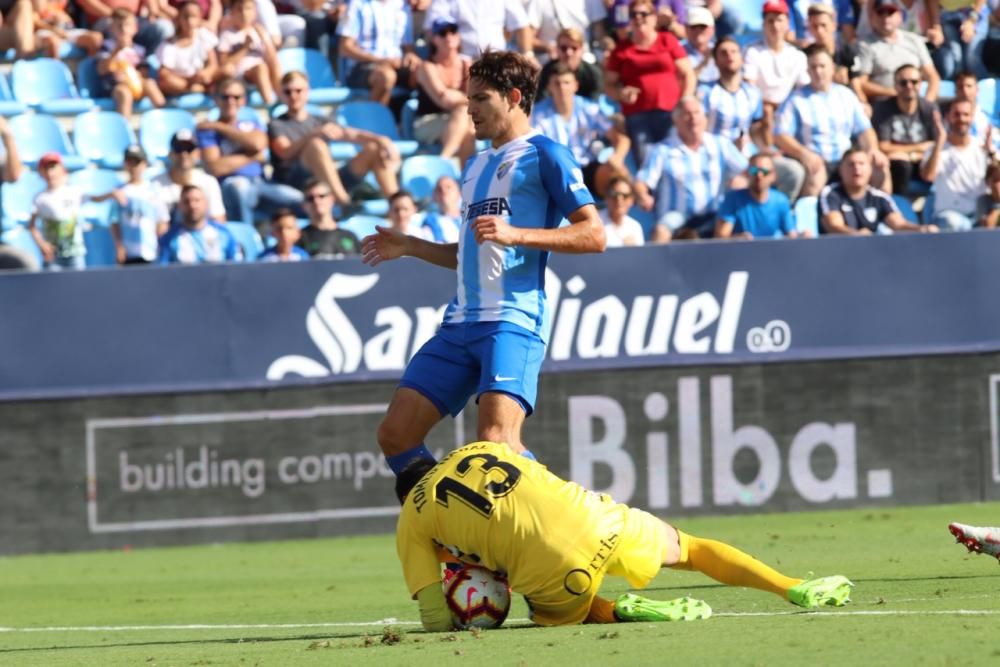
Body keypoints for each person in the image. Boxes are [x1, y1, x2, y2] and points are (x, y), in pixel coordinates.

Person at [360, 50, 605, 475]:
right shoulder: (474, 166)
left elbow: (594, 234)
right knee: (395, 434)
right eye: (468, 98)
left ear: (513, 97)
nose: (469, 109)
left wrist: (517, 234)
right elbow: (472, 253)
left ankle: (559, 522)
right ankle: (446, 530)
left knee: (496, 444)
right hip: (459, 326)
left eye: (480, 99)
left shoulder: (547, 154)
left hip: (512, 320)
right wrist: (413, 246)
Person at [395, 441, 854, 631]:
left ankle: (619, 611)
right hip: (599, 517)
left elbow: (434, 617)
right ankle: (791, 585)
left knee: (550, 609)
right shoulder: (481, 447)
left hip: (556, 570)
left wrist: (457, 619)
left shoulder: (411, 520)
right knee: (691, 548)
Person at [269, 70, 401, 206]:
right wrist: (314, 135)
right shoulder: (277, 124)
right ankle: (344, 203)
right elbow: (284, 152)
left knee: (374, 149)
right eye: (288, 92)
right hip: (296, 182)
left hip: (328, 180)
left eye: (298, 90)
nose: (293, 96)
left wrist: (381, 140)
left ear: (307, 91)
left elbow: (350, 134)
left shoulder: (319, 120)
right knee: (316, 145)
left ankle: (397, 203)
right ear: (281, 95)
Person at [774, 44, 889, 199]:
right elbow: (780, 135)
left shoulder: (846, 95)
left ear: (832, 68)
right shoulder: (796, 99)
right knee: (816, 174)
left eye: (822, 66)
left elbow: (864, 130)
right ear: (807, 71)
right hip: (816, 159)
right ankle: (809, 221)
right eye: (813, 67)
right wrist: (804, 154)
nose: (818, 71)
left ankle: (884, 215)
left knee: (879, 168)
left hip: (845, 159)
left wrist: (872, 150)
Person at [634, 96, 748, 242]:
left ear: (705, 117)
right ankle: (657, 264)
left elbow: (750, 169)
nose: (692, 118)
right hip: (676, 215)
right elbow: (642, 181)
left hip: (715, 214)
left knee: (740, 228)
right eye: (686, 114)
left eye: (696, 113)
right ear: (675, 120)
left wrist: (744, 179)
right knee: (660, 230)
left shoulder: (720, 144)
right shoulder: (662, 150)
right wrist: (643, 195)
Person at [198, 78, 303, 226]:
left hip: (261, 184)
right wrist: (252, 156)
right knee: (239, 189)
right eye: (225, 97)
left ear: (244, 100)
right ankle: (245, 242)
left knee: (302, 200)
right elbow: (215, 167)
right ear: (216, 99)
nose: (231, 101)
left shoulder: (250, 123)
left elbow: (258, 144)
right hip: (230, 186)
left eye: (236, 97)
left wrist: (221, 127)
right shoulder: (207, 132)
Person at [603, 0, 695, 164]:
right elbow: (608, 84)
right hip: (638, 116)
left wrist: (686, 98)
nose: (638, 18)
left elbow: (688, 73)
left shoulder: (667, 40)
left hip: (671, 113)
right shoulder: (621, 49)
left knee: (673, 163)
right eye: (633, 15)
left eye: (643, 14)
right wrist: (620, 93)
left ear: (654, 18)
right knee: (647, 165)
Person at [531, 62, 629, 200]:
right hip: (556, 170)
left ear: (575, 85)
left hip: (586, 167)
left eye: (566, 83)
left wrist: (617, 158)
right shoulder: (537, 114)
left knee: (615, 168)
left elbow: (621, 139)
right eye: (557, 83)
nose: (562, 88)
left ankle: (613, 213)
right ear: (549, 87)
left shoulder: (589, 108)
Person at [820, 147, 938, 234]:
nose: (856, 168)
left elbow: (898, 224)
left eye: (861, 164)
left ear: (870, 170)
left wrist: (922, 229)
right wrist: (856, 235)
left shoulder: (879, 197)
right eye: (851, 164)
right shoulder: (831, 194)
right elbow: (833, 225)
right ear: (841, 170)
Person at [921, 99, 992, 231]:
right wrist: (940, 140)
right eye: (956, 114)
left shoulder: (982, 148)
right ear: (948, 117)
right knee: (956, 223)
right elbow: (928, 176)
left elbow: (995, 181)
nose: (961, 119)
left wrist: (991, 154)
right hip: (948, 217)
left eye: (966, 114)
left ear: (972, 118)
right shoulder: (936, 149)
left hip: (980, 215)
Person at [412, 16, 475, 163]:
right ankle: (444, 161)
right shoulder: (427, 67)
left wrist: (459, 98)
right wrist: (468, 100)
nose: (449, 36)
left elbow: (473, 98)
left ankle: (462, 178)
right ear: (434, 39)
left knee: (470, 131)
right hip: (427, 121)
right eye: (442, 33)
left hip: (461, 121)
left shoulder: (466, 65)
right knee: (463, 115)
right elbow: (445, 100)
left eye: (453, 31)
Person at [872, 64, 939, 195]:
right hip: (897, 165)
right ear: (895, 85)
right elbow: (883, 147)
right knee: (901, 165)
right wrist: (918, 149)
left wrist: (910, 154)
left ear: (920, 84)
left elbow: (936, 145)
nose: (909, 86)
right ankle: (899, 206)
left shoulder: (929, 108)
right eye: (903, 82)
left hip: (923, 161)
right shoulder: (883, 109)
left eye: (914, 82)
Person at [856, 0, 940, 104]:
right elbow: (861, 83)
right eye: (880, 13)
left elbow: (933, 77)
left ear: (900, 16)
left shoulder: (914, 40)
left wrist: (927, 105)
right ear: (872, 17)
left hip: (915, 105)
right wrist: (894, 92)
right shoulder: (865, 45)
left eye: (890, 13)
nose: (886, 18)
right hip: (885, 107)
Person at [338, 0, 419, 106]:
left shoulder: (402, 6)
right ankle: (375, 120)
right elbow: (345, 48)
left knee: (422, 73)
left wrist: (411, 56)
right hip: (363, 66)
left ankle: (419, 119)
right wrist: (380, 60)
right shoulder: (356, 4)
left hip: (395, 63)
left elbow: (408, 47)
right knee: (386, 77)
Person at [98, 144, 169, 264]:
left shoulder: (153, 190)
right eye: (130, 162)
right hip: (128, 252)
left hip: (150, 251)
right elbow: (114, 222)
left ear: (145, 163)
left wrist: (159, 241)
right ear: (124, 164)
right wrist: (119, 246)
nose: (133, 167)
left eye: (137, 162)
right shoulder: (119, 191)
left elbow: (162, 220)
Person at [96, 7, 167, 118]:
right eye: (119, 26)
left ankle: (165, 118)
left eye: (127, 25)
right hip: (114, 87)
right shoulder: (107, 46)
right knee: (124, 93)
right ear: (111, 28)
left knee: (150, 84)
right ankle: (125, 128)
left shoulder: (139, 50)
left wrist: (136, 75)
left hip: (135, 84)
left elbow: (143, 72)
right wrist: (117, 50)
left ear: (135, 28)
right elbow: (102, 69)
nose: (124, 29)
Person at [715, 153, 801, 239]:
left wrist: (803, 237)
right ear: (747, 173)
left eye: (765, 172)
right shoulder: (732, 200)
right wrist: (737, 239)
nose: (759, 176)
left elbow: (791, 235)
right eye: (754, 171)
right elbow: (721, 237)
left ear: (773, 176)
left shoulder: (781, 201)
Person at [151, 129, 227, 224]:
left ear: (197, 154)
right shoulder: (154, 184)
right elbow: (157, 226)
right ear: (170, 154)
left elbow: (218, 221)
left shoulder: (209, 182)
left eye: (189, 149)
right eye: (179, 149)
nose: (184, 154)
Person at [743, 0, 808, 110]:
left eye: (779, 20)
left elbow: (804, 87)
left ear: (787, 24)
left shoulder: (797, 55)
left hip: (788, 111)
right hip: (759, 111)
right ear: (763, 24)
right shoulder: (751, 51)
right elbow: (749, 89)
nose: (775, 26)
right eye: (770, 21)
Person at [27, 152, 86, 270]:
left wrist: (112, 194)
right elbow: (32, 226)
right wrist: (42, 245)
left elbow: (96, 198)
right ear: (41, 173)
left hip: (75, 253)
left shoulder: (73, 192)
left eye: (53, 167)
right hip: (53, 256)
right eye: (46, 168)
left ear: (61, 169)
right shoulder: (40, 198)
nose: (50, 172)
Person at [217, 0, 282, 106]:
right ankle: (270, 104)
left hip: (262, 72)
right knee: (260, 68)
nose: (244, 13)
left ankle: (281, 95)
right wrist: (245, 48)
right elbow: (224, 63)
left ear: (255, 12)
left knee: (272, 63)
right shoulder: (228, 34)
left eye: (248, 9)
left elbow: (272, 57)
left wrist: (264, 39)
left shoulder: (259, 31)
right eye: (239, 9)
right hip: (241, 74)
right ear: (232, 12)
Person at [422, 0, 533, 61]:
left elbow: (522, 25)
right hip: (460, 61)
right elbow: (431, 30)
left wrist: (528, 54)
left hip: (497, 61)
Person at [158, 184, 240, 263]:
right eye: (187, 202)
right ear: (180, 206)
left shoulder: (224, 234)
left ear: (206, 204)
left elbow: (236, 267)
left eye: (197, 200)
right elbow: (162, 271)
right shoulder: (169, 239)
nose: (192, 205)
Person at [156, 0, 220, 97]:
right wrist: (188, 81)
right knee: (168, 81)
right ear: (179, 18)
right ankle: (195, 90)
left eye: (193, 16)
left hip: (199, 80)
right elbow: (164, 73)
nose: (190, 21)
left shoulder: (204, 36)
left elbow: (213, 65)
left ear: (200, 18)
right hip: (180, 82)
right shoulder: (169, 44)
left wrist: (205, 73)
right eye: (186, 16)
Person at [297, 179, 361, 257]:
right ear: (303, 205)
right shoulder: (298, 238)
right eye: (310, 198)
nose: (316, 201)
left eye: (321, 196)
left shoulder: (350, 236)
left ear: (332, 199)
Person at [536, 27, 603, 102]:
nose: (569, 53)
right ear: (557, 49)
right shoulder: (546, 72)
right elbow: (541, 101)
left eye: (574, 48)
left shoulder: (593, 73)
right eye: (563, 48)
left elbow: (595, 103)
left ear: (582, 50)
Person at [600, 176, 645, 246]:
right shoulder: (596, 222)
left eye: (625, 196)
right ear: (607, 197)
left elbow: (640, 256)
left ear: (632, 200)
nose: (619, 200)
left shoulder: (635, 227)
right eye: (614, 195)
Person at [418, 174, 462, 243]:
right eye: (439, 189)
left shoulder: (471, 215)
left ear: (459, 193)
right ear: (434, 196)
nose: (443, 191)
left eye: (448, 187)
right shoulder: (431, 221)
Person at [683, 6, 718, 86]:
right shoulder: (677, 51)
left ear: (712, 29)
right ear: (686, 28)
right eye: (693, 27)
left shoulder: (722, 50)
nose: (698, 30)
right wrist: (704, 62)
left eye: (703, 26)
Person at [976, 161, 1000, 228]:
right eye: (996, 180)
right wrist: (997, 208)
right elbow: (988, 226)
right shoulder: (982, 201)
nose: (998, 184)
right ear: (988, 182)